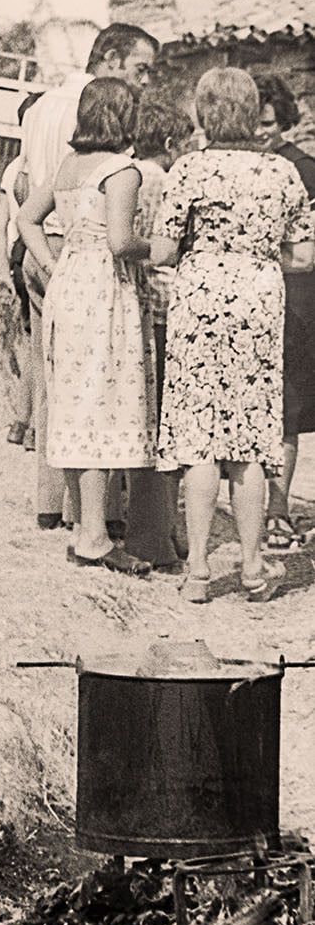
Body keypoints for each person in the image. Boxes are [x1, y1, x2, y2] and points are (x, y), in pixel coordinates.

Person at [151, 67, 315, 603]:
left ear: (203, 114)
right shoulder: (281, 173)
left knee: (199, 436)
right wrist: (260, 253)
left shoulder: (188, 169)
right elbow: (305, 255)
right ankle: (250, 567)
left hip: (199, 295)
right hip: (259, 298)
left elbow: (162, 251)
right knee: (247, 439)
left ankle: (198, 572)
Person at [18, 22, 159, 530]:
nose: (144, 84)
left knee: (57, 383)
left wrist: (49, 262)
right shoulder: (112, 147)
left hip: (59, 258)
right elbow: (121, 234)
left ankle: (53, 504)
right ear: (114, 60)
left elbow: (19, 185)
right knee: (104, 387)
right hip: (93, 258)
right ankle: (100, 519)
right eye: (140, 70)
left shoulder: (41, 107)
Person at [122, 98, 195, 570]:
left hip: (131, 306)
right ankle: (156, 533)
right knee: (166, 428)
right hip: (167, 308)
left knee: (140, 418)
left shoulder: (124, 175)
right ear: (170, 144)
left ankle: (146, 524)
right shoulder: (167, 182)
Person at [253, 70, 315, 549]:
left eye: (269, 123)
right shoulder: (238, 166)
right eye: (253, 121)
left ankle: (278, 507)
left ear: (286, 121)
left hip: (294, 297)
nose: (260, 132)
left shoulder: (306, 170)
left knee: (285, 408)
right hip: (247, 298)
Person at [0, 94, 43, 448]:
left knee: (29, 345)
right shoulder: (44, 166)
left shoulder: (13, 168)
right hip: (35, 249)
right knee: (42, 346)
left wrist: (0, 271)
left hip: (14, 256)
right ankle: (34, 426)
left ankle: (19, 423)